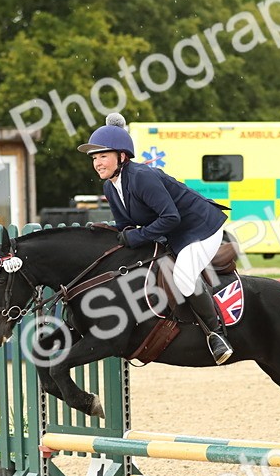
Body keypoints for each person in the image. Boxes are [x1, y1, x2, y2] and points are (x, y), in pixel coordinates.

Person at [78, 113, 233, 364]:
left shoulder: (141, 176)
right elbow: (125, 227)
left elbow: (170, 217)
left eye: (103, 156)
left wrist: (137, 235)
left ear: (122, 156)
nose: (97, 163)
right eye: (94, 158)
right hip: (174, 233)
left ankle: (216, 334)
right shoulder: (110, 186)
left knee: (183, 277)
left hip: (201, 228)